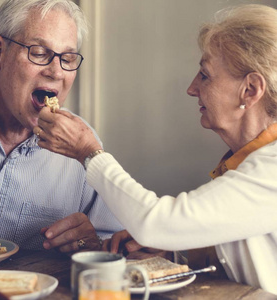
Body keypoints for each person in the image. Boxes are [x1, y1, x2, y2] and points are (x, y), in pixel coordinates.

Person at [33, 4, 277, 294]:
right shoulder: (246, 162)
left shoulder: (270, 169)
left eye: (205, 75)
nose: (191, 88)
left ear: (250, 90)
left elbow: (158, 222)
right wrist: (172, 252)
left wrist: (89, 153)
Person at [0, 0, 123, 255]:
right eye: (39, 53)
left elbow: (112, 248)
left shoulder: (83, 147)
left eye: (69, 58)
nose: (57, 72)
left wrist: (90, 242)